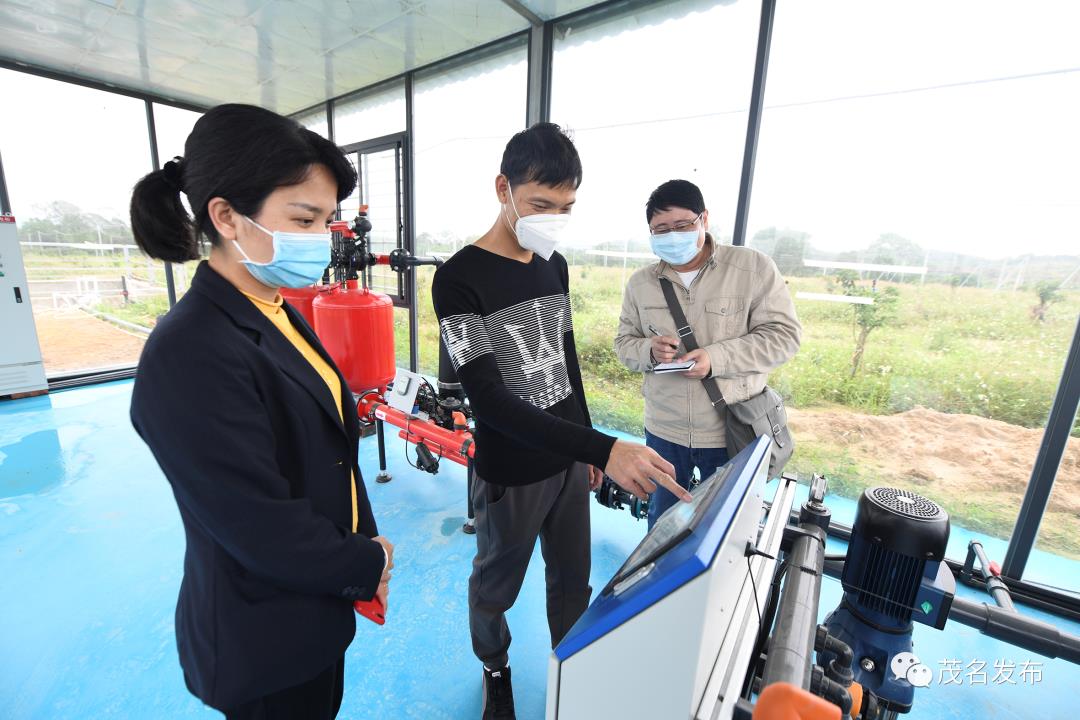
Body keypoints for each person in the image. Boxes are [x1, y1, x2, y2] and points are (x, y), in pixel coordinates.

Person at [128, 104, 393, 720]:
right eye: (303, 218)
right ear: (225, 216)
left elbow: (328, 447)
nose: (321, 238)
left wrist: (361, 546)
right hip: (263, 639)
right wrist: (368, 560)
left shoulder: (273, 307)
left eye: (327, 221)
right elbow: (257, 524)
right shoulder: (189, 351)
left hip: (313, 613)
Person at [431, 124, 690, 720]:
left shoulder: (555, 266)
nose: (553, 217)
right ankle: (495, 667)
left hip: (569, 466)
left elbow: (567, 363)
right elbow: (491, 402)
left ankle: (571, 668)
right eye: (541, 204)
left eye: (566, 206)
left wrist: (588, 451)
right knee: (495, 586)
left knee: (572, 582)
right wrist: (603, 447)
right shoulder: (459, 278)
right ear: (504, 188)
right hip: (512, 473)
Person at [615, 179, 801, 528]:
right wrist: (648, 350)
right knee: (663, 524)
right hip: (664, 430)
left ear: (704, 219)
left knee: (728, 527)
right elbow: (624, 344)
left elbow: (784, 337)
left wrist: (716, 358)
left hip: (731, 427)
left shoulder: (752, 268)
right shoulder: (641, 283)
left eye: (682, 225)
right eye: (660, 229)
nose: (672, 236)